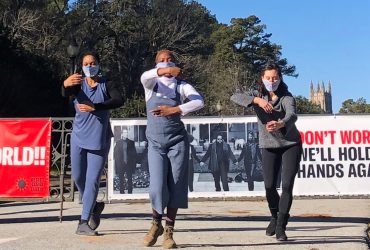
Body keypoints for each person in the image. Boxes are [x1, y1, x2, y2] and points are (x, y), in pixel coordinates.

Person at [231, 62, 302, 241]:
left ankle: (281, 226)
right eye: (268, 78)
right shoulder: (257, 95)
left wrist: (281, 123)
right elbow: (234, 97)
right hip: (268, 145)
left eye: (275, 77)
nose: (272, 80)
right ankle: (274, 215)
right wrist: (257, 100)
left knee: (286, 185)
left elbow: (292, 115)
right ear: (262, 78)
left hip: (290, 144)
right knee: (269, 185)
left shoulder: (286, 96)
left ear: (280, 78)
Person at [140, 49, 204, 248]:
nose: (166, 63)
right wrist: (164, 70)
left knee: (176, 185)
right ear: (156, 64)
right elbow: (144, 76)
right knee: (157, 185)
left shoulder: (182, 86)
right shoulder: (151, 84)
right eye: (161, 61)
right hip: (156, 142)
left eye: (169, 60)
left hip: (177, 141)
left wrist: (175, 109)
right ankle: (155, 223)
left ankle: (169, 231)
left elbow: (199, 101)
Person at [62, 52, 123, 236]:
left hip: (99, 139)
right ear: (82, 66)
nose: (90, 66)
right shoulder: (78, 83)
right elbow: (66, 94)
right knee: (79, 178)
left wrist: (96, 107)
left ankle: (83, 221)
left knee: (92, 181)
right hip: (78, 137)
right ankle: (94, 205)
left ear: (99, 64)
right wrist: (64, 85)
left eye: (93, 63)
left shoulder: (107, 83)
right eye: (86, 63)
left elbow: (119, 100)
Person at [113, 128, 138, 194]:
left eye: (126, 132)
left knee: (130, 179)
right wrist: (117, 164)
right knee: (121, 179)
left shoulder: (131, 142)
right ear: (122, 134)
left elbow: (134, 154)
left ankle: (130, 192)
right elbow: (115, 154)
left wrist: (135, 164)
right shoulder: (118, 143)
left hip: (129, 164)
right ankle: (122, 192)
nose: (126, 134)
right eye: (124, 132)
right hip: (121, 164)